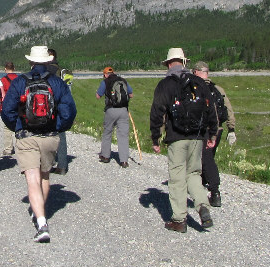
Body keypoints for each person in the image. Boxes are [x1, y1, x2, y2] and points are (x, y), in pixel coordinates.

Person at [2, 46, 77, 243]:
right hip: (50, 136)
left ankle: (42, 223)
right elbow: (70, 111)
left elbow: (7, 110)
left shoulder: (20, 81)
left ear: (31, 61)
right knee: (44, 176)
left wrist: (18, 127)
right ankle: (40, 212)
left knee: (32, 179)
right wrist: (58, 127)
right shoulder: (57, 82)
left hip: (27, 136)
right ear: (48, 61)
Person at [149, 47, 218, 233]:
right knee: (194, 173)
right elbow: (210, 108)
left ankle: (179, 220)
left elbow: (157, 112)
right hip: (197, 136)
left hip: (176, 136)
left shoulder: (166, 84)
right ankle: (202, 205)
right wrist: (212, 133)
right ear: (184, 62)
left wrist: (155, 138)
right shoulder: (198, 82)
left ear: (169, 63)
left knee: (177, 177)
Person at [192, 61, 237, 207]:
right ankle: (203, 184)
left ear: (196, 72)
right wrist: (231, 129)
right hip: (218, 130)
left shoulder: (195, 88)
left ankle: (214, 191)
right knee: (208, 157)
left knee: (206, 160)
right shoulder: (218, 89)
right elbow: (228, 109)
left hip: (203, 130)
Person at [95, 66, 133, 167]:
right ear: (114, 73)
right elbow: (131, 94)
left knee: (107, 132)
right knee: (123, 135)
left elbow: (98, 96)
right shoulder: (123, 81)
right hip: (124, 110)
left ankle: (105, 156)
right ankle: (124, 160)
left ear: (105, 74)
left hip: (111, 110)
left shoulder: (105, 82)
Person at [46, 48, 69, 175]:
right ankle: (62, 165)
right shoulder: (60, 69)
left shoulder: (48, 70)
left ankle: (47, 163)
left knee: (45, 132)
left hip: (49, 104)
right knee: (61, 134)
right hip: (62, 104)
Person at [0, 61, 19, 156]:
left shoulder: (2, 80)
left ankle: (8, 148)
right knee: (19, 125)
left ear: (5, 69)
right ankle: (20, 146)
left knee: (7, 127)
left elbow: (0, 94)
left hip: (6, 105)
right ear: (14, 69)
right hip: (18, 105)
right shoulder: (19, 79)